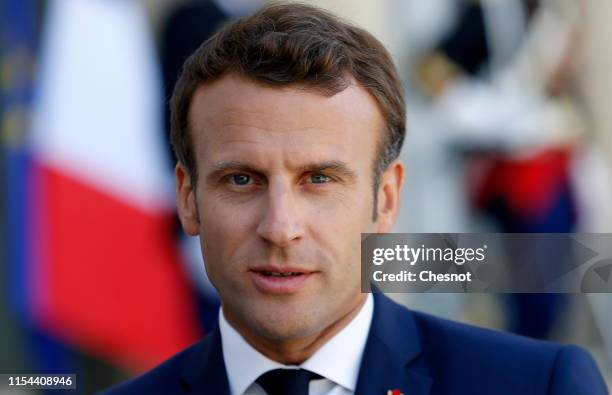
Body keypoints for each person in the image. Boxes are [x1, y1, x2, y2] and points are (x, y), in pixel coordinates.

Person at [101, 3, 607, 395]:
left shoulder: (540, 385)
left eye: (319, 179)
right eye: (241, 180)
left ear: (386, 199)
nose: (280, 227)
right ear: (187, 199)